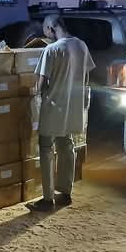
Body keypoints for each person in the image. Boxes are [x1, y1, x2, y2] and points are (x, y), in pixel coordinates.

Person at [27, 15, 95, 212]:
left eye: (45, 31)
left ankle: (48, 199)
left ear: (51, 28)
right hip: (73, 106)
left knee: (46, 148)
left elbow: (41, 84)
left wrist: (33, 94)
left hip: (53, 106)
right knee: (67, 145)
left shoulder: (51, 49)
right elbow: (87, 75)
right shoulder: (81, 45)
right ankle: (65, 193)